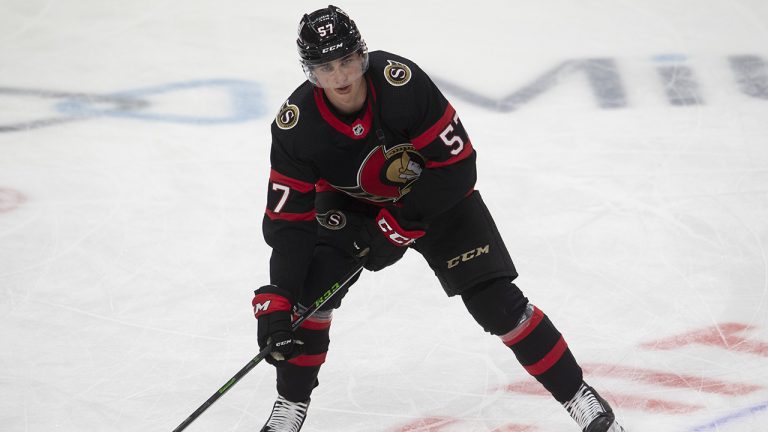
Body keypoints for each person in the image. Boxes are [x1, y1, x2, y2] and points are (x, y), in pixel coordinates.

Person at [253, 5, 626, 432]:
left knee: (498, 304)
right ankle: (290, 404)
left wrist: (398, 224)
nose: (341, 77)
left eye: (348, 61)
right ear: (309, 72)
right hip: (350, 204)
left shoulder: (402, 84)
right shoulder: (295, 127)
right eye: (325, 67)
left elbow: (459, 165)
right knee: (309, 298)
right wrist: (279, 297)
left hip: (433, 193)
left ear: (363, 54)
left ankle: (580, 397)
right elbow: (289, 225)